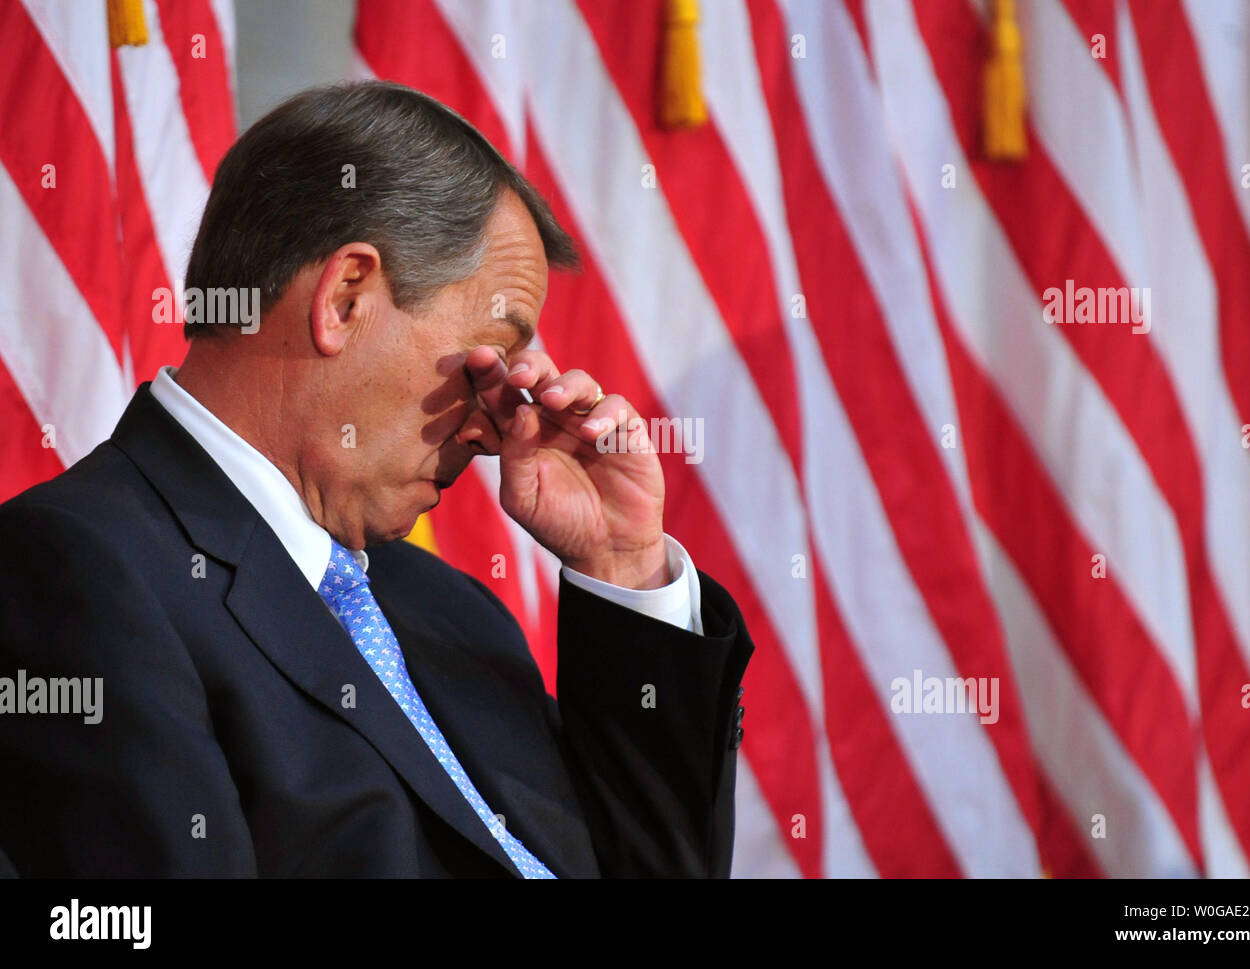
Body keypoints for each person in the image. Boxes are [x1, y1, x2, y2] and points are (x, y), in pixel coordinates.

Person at [0, 81, 753, 877]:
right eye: (484, 358)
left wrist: (623, 563)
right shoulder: (75, 569)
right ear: (346, 297)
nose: (494, 426)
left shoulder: (454, 611)